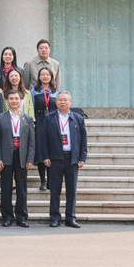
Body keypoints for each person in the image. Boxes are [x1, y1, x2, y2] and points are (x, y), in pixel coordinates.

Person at [42, 91, 87, 228]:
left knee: (71, 191)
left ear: (70, 102)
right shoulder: (49, 118)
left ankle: (70, 218)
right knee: (55, 190)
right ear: (56, 102)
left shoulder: (77, 118)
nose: (63, 102)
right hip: (55, 158)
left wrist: (82, 157)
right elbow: (43, 139)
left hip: (72, 158)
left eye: (66, 100)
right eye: (60, 100)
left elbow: (83, 139)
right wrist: (45, 156)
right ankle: (55, 218)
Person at [0, 90, 35, 228]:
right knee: (5, 188)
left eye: (17, 99)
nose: (14, 101)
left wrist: (30, 159)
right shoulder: (0, 118)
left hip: (22, 156)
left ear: (21, 101)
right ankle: (7, 217)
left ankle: (21, 217)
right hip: (6, 156)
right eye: (11, 99)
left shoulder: (28, 119)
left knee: (21, 189)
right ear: (7, 101)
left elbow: (31, 142)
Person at [32, 66, 58, 191]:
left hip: (53, 122)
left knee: (52, 150)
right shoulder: (34, 91)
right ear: (39, 77)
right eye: (42, 74)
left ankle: (51, 181)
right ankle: (43, 181)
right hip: (40, 122)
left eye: (47, 74)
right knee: (41, 151)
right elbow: (31, 108)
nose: (45, 77)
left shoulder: (56, 91)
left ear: (51, 77)